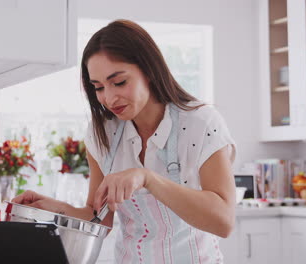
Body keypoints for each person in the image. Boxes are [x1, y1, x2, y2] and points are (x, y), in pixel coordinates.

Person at [12, 19, 236, 263]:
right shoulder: (103, 133)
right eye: (98, 87)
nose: (109, 98)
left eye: (119, 82)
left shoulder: (200, 123)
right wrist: (53, 210)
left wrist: (147, 178)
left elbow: (223, 221)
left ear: (149, 71)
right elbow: (100, 218)